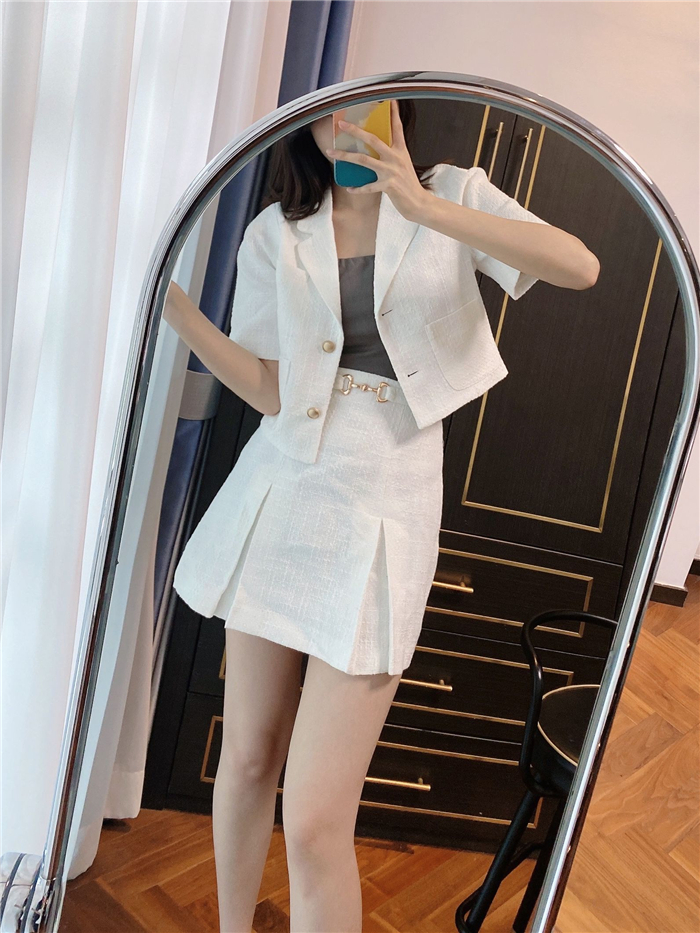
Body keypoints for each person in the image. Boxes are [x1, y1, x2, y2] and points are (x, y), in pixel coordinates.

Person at [164, 98, 599, 933]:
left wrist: (424, 207)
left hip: (386, 503)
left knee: (317, 819)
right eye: (327, 113)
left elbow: (578, 265)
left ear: (396, 107)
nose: (346, 125)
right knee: (247, 758)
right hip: (282, 491)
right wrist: (182, 316)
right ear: (304, 127)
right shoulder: (277, 232)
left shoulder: (450, 192)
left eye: (364, 105)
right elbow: (270, 389)